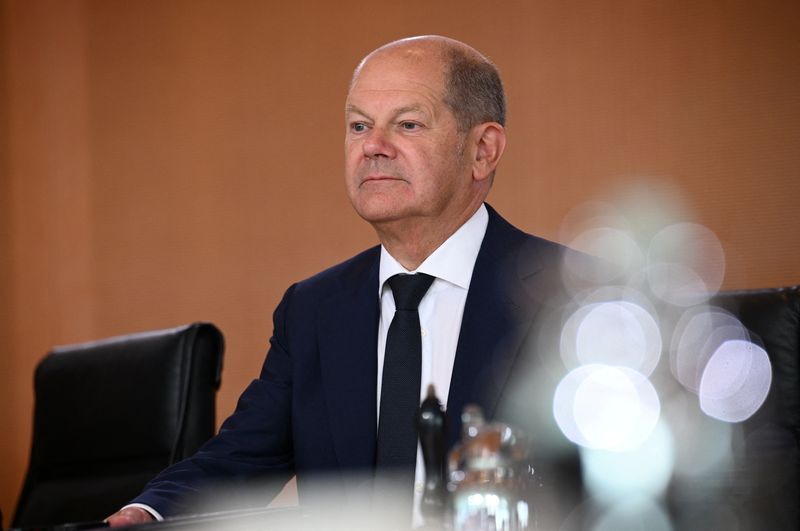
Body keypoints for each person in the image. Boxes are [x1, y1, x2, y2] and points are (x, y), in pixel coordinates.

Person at [107, 34, 576, 528]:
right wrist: (147, 511)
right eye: (358, 126)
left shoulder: (564, 297)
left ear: (483, 149)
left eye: (408, 124)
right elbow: (241, 457)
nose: (373, 147)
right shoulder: (313, 309)